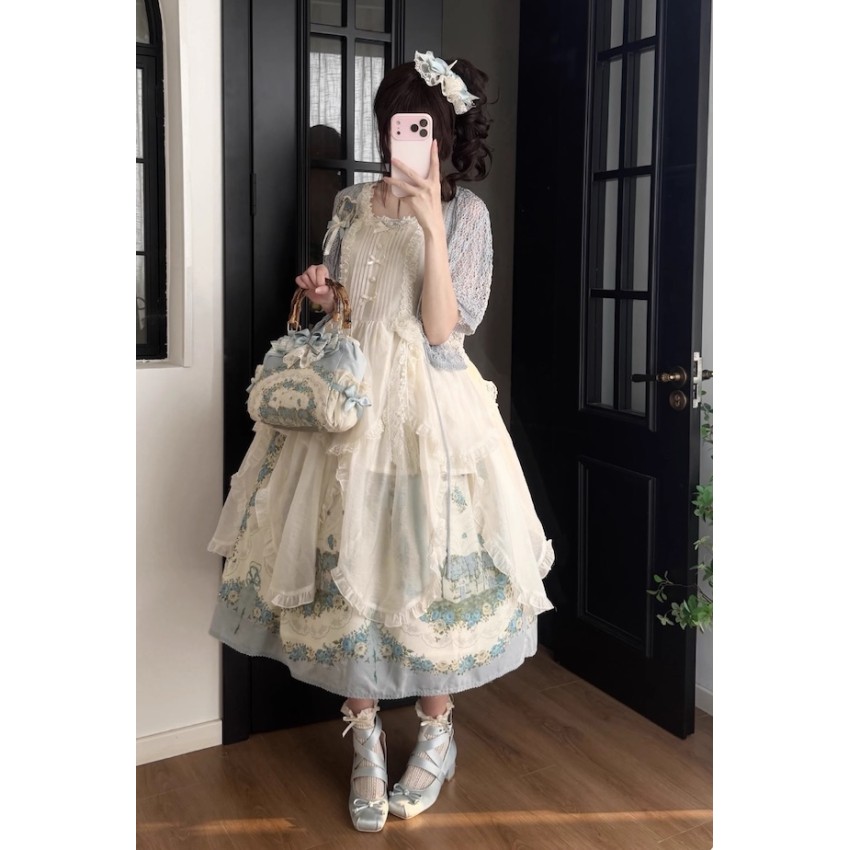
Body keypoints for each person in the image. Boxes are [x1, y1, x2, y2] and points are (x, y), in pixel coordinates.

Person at [208, 50, 555, 833]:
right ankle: (363, 737)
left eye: (417, 127)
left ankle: (436, 735)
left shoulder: (467, 217)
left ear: (445, 134)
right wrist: (323, 294)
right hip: (353, 406)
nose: (401, 140)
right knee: (349, 560)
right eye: (392, 124)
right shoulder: (351, 204)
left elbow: (441, 330)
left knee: (428, 559)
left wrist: (430, 221)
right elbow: (347, 311)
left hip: (433, 410)